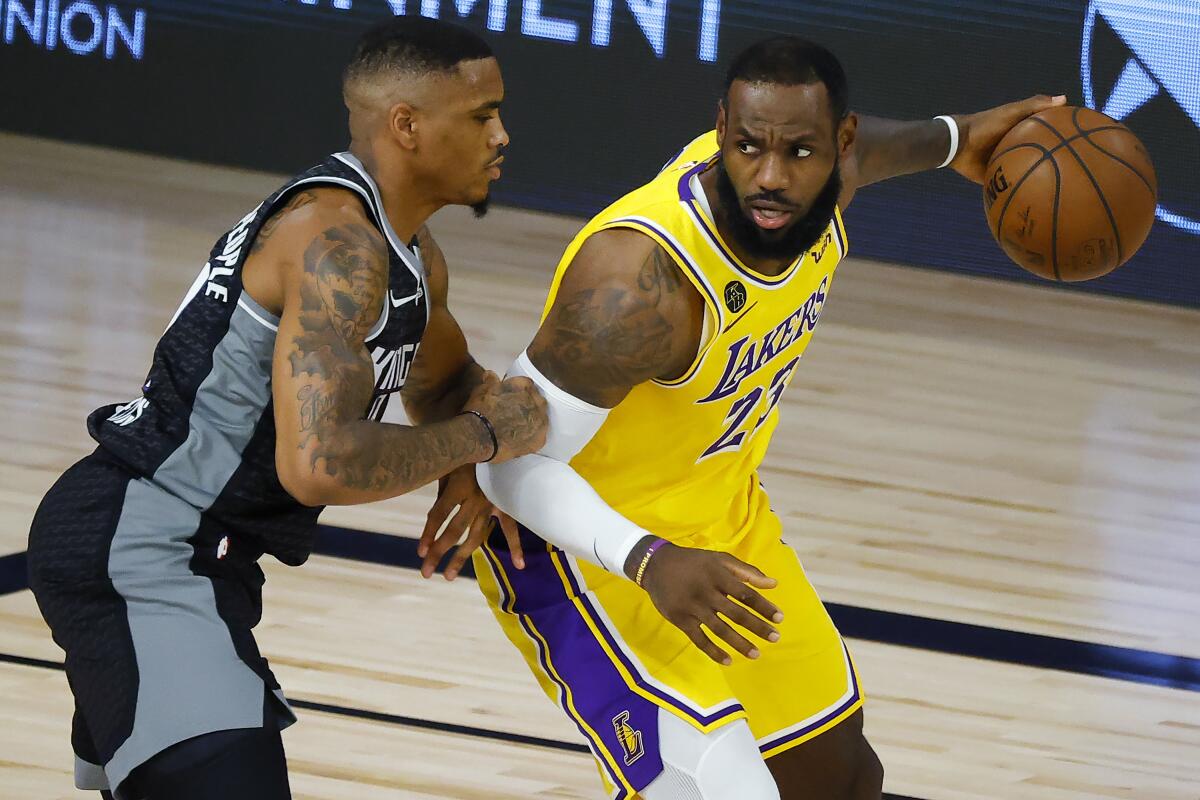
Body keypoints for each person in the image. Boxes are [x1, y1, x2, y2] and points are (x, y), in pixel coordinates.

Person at [475, 35, 1064, 799]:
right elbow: (509, 465)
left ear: (839, 146)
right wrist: (650, 559)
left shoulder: (837, 175)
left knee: (843, 779)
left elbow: (897, 145)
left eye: (801, 151)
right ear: (721, 130)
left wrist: (964, 140)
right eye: (748, 147)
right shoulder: (641, 286)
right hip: (587, 553)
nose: (771, 177)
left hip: (720, 521)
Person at [26, 16, 546, 800]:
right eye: (481, 116)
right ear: (406, 125)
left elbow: (445, 384)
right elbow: (319, 465)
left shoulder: (407, 252)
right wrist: (481, 437)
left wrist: (474, 456)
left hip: (199, 556)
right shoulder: (336, 243)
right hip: (145, 545)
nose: (503, 135)